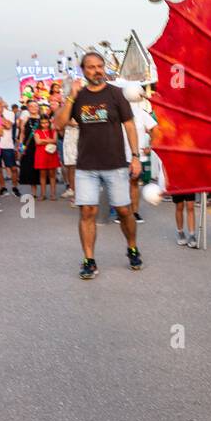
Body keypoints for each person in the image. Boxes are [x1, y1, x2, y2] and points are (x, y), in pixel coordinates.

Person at [53, 52, 142, 279]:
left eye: (100, 66)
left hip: (115, 164)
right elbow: (59, 124)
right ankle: (89, 260)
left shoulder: (115, 94)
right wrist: (71, 98)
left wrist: (134, 156)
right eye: (91, 67)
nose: (97, 70)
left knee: (124, 211)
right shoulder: (79, 96)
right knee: (87, 212)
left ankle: (132, 247)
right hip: (87, 166)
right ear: (83, 70)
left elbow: (129, 126)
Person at [0, 95, 19, 198]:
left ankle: (14, 187)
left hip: (8, 144)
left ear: (3, 103)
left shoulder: (10, 113)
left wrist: (0, 116)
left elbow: (8, 126)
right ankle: (3, 188)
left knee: (13, 168)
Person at [16, 99, 43, 199]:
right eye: (31, 106)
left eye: (35, 106)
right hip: (29, 146)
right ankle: (34, 192)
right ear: (28, 108)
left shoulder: (42, 119)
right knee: (31, 168)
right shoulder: (25, 119)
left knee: (41, 169)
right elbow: (22, 134)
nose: (33, 108)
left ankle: (43, 191)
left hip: (40, 146)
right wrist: (21, 147)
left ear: (38, 108)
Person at [32, 109, 60, 200]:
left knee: (52, 175)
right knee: (42, 175)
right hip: (41, 155)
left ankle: (53, 194)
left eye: (46, 122)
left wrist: (43, 140)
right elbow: (37, 142)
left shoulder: (53, 131)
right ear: (40, 123)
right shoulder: (37, 131)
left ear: (49, 122)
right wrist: (48, 140)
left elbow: (55, 141)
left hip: (51, 154)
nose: (45, 124)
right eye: (43, 123)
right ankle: (43, 194)